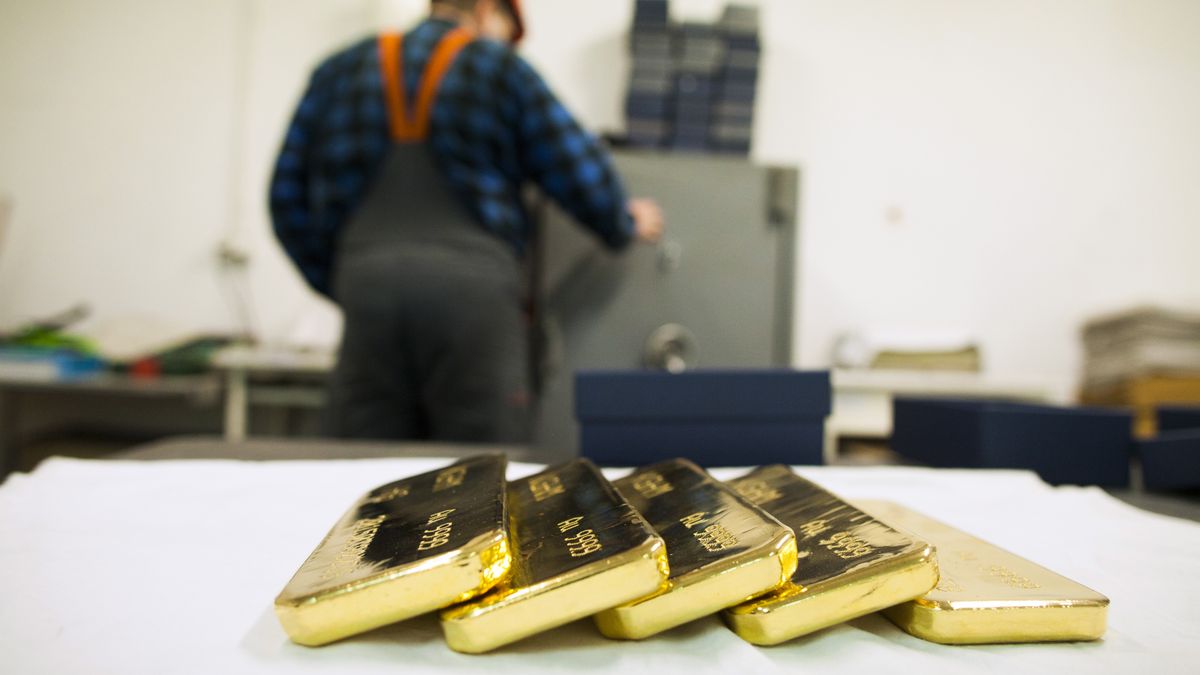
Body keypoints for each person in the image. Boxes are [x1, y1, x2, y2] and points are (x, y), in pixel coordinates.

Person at [270, 0, 663, 443]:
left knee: (365, 469)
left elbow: (285, 199)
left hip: (367, 292)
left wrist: (342, 277)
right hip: (472, 295)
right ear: (485, 10)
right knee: (479, 475)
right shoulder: (500, 68)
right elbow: (575, 168)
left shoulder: (338, 70)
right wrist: (619, 219)